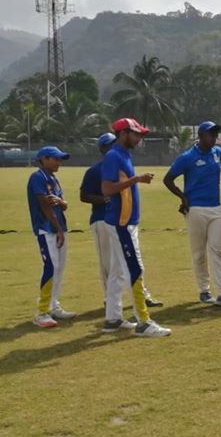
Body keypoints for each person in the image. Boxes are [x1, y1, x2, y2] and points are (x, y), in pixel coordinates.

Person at [101, 118, 171, 337]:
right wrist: (136, 179)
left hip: (125, 222)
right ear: (123, 134)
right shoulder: (114, 156)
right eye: (136, 134)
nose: (140, 138)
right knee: (135, 270)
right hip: (122, 224)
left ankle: (113, 318)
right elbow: (106, 189)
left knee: (117, 273)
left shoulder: (123, 154)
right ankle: (143, 322)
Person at [81, 132, 162, 310]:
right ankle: (108, 298)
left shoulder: (122, 163)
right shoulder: (95, 170)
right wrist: (103, 199)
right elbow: (84, 195)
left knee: (128, 262)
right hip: (101, 220)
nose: (113, 147)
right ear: (102, 149)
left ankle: (143, 294)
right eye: (109, 145)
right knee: (108, 263)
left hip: (121, 219)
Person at [164, 120, 221, 308]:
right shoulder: (187, 157)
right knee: (198, 253)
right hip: (195, 209)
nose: (214, 138)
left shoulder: (216, 152)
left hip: (216, 209)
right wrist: (182, 197)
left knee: (217, 250)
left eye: (216, 135)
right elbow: (168, 179)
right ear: (201, 136)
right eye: (211, 134)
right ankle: (204, 290)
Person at [27, 146, 76, 328]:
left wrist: (62, 202)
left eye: (60, 159)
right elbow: (45, 206)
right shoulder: (37, 178)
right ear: (44, 159)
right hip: (46, 229)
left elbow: (63, 205)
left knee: (59, 268)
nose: (58, 162)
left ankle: (53, 305)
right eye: (55, 159)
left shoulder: (53, 179)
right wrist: (58, 229)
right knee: (51, 267)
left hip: (59, 228)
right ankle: (41, 312)